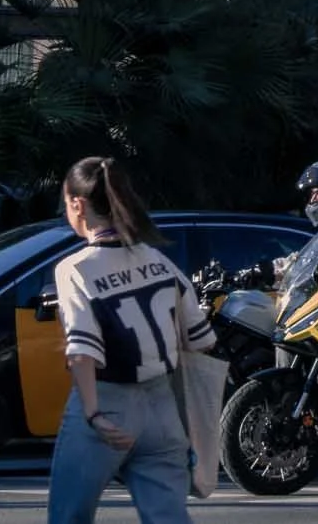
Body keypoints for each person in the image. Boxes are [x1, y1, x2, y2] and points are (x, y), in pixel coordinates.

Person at [47, 156, 213, 524]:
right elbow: (200, 339)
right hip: (163, 408)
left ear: (78, 204)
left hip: (110, 405)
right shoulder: (155, 259)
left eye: (66, 205)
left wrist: (93, 414)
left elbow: (81, 350)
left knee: (69, 516)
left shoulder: (75, 268)